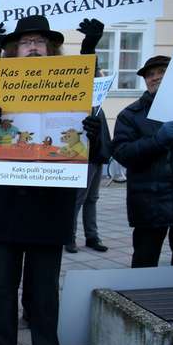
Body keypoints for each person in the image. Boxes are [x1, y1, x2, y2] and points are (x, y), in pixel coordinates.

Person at [0, 15, 105, 345]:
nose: (32, 47)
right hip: (7, 205)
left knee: (44, 291)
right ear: (13, 50)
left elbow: (99, 152)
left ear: (51, 50)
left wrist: (92, 132)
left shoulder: (74, 91)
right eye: (26, 42)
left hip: (50, 206)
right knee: (2, 287)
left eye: (39, 42)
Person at [112, 55, 173, 267]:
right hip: (149, 204)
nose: (155, 78)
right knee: (144, 262)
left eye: (162, 72)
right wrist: (157, 140)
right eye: (150, 75)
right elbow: (122, 153)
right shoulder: (130, 115)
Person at [66, 106, 111, 253]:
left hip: (98, 155)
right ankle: (69, 237)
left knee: (92, 198)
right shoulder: (82, 101)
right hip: (85, 156)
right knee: (78, 199)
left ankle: (92, 237)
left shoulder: (97, 101)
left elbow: (102, 129)